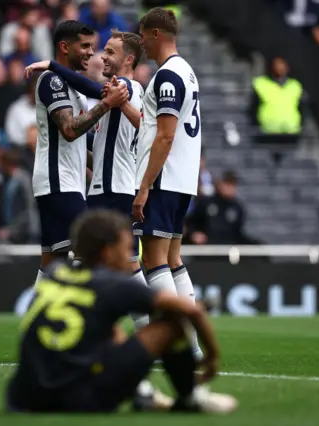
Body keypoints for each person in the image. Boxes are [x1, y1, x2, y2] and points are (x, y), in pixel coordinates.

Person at [5, 209, 238, 414]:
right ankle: (190, 397)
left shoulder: (56, 271)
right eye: (126, 247)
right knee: (172, 322)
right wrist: (213, 357)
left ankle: (143, 393)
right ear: (107, 252)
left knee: (105, 333)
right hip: (78, 400)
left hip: (22, 399)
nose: (130, 254)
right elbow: (192, 313)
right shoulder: (114, 284)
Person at [25, 30, 147, 328]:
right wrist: (54, 68)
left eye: (108, 51)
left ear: (128, 60)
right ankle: (46, 326)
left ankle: (138, 329)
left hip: (111, 188)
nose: (99, 55)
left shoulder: (126, 87)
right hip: (86, 186)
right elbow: (86, 128)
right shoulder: (112, 92)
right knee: (72, 260)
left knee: (100, 261)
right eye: (93, 48)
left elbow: (93, 91)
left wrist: (53, 65)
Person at [31, 20, 129, 285]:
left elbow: (75, 144)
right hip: (58, 182)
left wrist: (106, 164)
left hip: (64, 182)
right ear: (64, 46)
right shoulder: (52, 81)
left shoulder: (72, 86)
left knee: (54, 260)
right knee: (91, 250)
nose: (90, 53)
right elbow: (69, 130)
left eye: (93, 47)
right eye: (85, 46)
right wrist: (106, 104)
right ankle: (95, 314)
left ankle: (36, 317)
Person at [132, 7, 202, 358]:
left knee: (154, 261)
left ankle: (178, 342)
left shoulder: (167, 76)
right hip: (182, 180)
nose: (141, 41)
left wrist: (144, 186)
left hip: (164, 179)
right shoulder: (187, 72)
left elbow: (164, 136)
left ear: (156, 34)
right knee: (173, 259)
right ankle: (191, 343)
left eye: (143, 35)